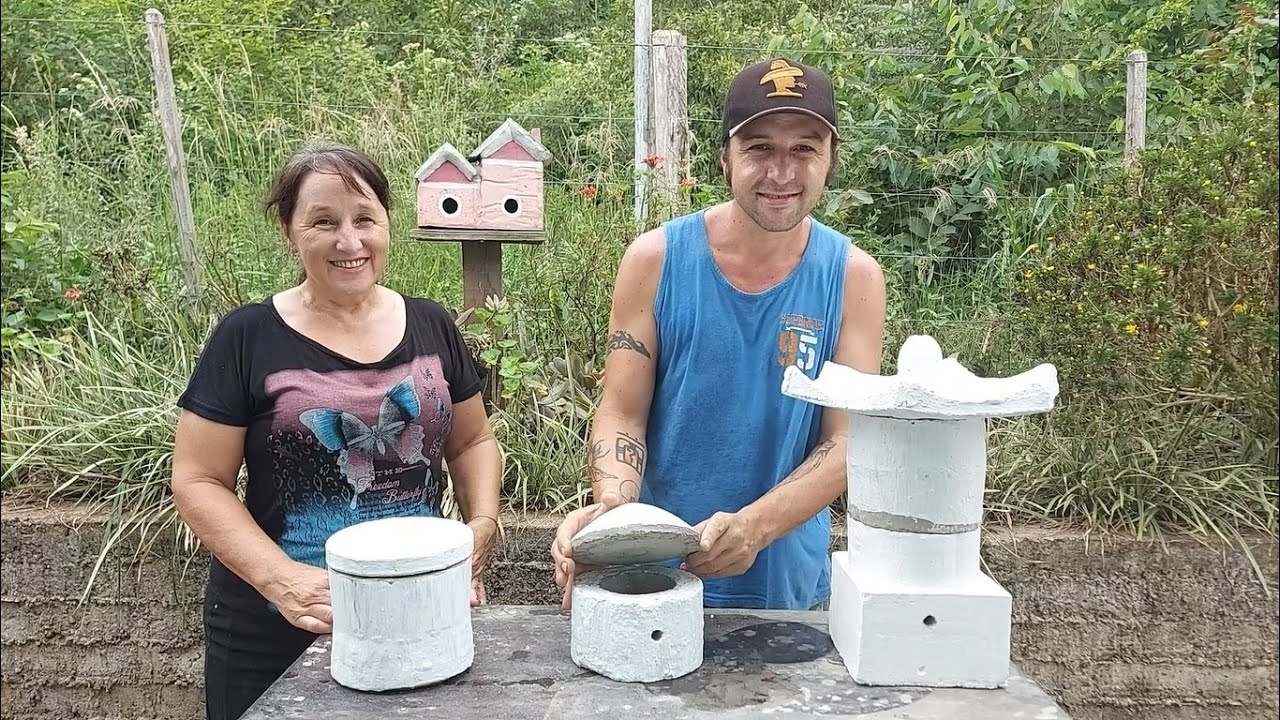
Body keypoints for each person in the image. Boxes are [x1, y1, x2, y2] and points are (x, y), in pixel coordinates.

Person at [170, 142, 503, 720]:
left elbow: (472, 441)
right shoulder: (247, 337)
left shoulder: (432, 323)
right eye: (324, 222)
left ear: (387, 223)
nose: (349, 242)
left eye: (365, 219)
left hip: (418, 615)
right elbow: (198, 479)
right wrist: (283, 582)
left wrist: (481, 526)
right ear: (288, 231)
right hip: (277, 628)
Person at [552, 58, 886, 611]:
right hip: (654, 573)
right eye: (759, 148)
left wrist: (756, 527)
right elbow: (622, 410)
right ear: (724, 159)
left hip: (784, 583)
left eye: (804, 149)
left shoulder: (854, 279)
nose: (781, 173)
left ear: (831, 162)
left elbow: (848, 440)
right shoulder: (655, 260)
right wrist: (615, 511)